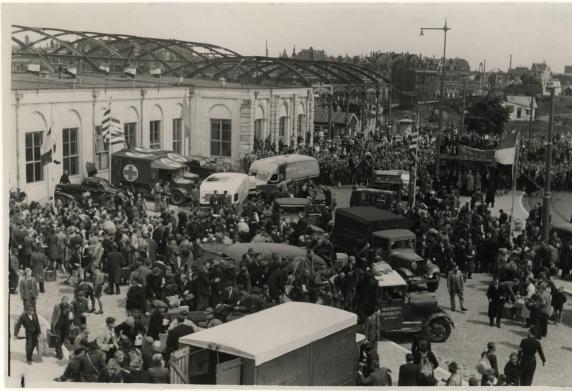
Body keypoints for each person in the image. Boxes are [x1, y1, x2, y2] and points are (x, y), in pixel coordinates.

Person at [50, 296, 72, 360]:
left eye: (66, 300)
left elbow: (71, 315)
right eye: (63, 300)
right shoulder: (57, 306)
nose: (65, 301)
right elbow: (54, 315)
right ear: (61, 300)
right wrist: (52, 324)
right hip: (58, 324)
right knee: (58, 338)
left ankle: (58, 347)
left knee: (63, 338)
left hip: (66, 325)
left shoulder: (70, 306)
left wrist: (71, 323)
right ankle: (59, 353)